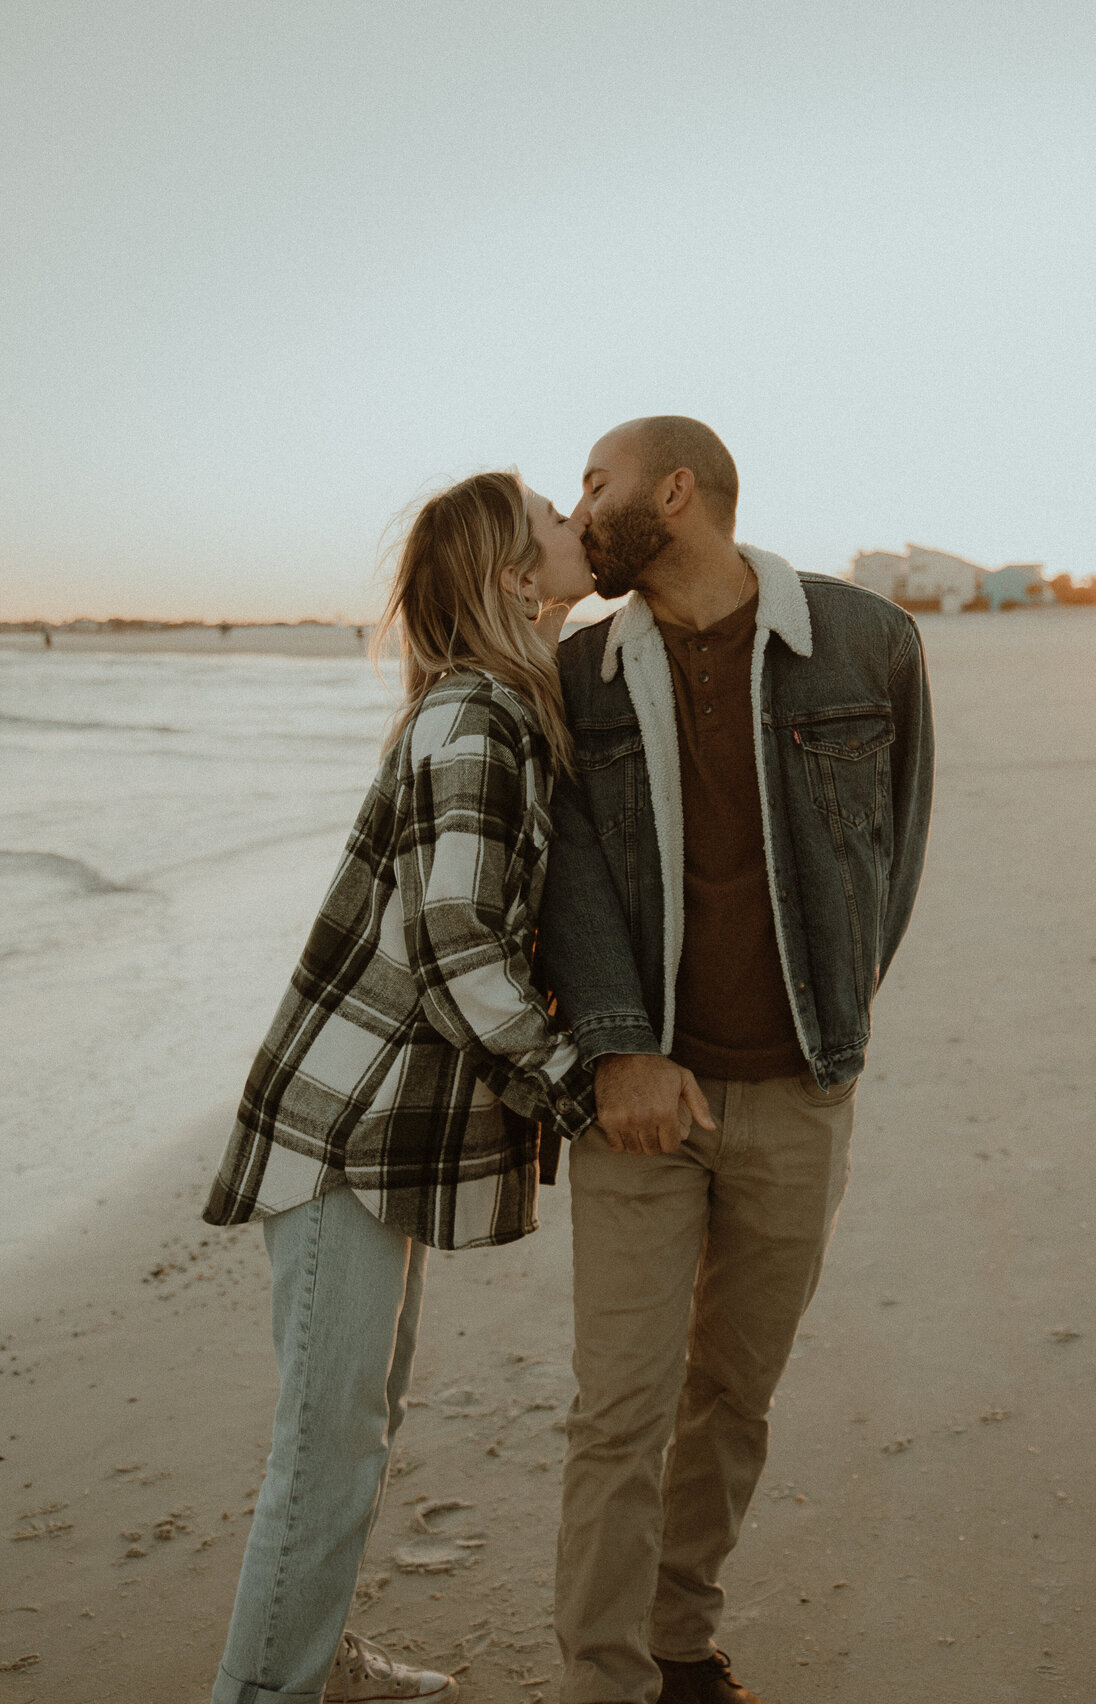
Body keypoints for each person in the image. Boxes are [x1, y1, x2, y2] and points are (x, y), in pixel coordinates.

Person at [201, 472, 702, 1704]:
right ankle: (270, 1688)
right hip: (344, 1132)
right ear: (510, 577)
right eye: (548, 518)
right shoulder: (476, 720)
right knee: (329, 1446)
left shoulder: (498, 703)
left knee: (362, 1422)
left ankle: (307, 1660)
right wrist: (580, 1088)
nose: (576, 526)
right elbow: (456, 947)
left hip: (384, 1134)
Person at [539, 418, 935, 1704]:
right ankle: (605, 1680)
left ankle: (676, 1634)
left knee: (735, 1393)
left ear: (676, 490)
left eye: (595, 483)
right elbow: (571, 878)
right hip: (640, 1099)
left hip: (799, 1088)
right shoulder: (583, 671)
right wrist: (616, 1056)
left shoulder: (866, 641)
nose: (577, 507)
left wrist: (836, 1017)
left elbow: (895, 845)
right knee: (621, 1409)